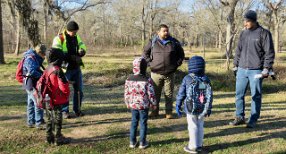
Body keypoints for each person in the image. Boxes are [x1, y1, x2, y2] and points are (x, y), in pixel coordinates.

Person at [230, 10, 275, 128]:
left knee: (256, 95)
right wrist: (235, 65)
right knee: (239, 94)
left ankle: (253, 119)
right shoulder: (243, 33)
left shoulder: (264, 33)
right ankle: (239, 117)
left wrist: (266, 68)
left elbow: (269, 52)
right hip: (241, 69)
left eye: (247, 21)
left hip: (256, 70)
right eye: (244, 21)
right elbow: (238, 50)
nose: (245, 23)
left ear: (254, 21)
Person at [142, 24, 185, 119]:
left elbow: (181, 55)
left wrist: (176, 64)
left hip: (170, 73)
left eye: (167, 31)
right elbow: (145, 53)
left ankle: (168, 112)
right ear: (158, 32)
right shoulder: (152, 42)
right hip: (155, 73)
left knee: (169, 94)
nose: (166, 32)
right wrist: (150, 63)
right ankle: (154, 111)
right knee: (155, 94)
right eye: (164, 31)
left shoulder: (174, 42)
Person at [176, 56, 213, 154]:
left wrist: (178, 104)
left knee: (192, 126)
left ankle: (193, 147)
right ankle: (199, 145)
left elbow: (181, 93)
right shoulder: (205, 79)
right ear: (203, 67)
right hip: (202, 107)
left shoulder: (187, 78)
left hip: (190, 107)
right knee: (200, 125)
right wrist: (208, 108)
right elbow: (209, 94)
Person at [52, 21, 87, 118]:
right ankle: (64, 111)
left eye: (76, 32)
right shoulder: (59, 38)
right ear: (68, 30)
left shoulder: (76, 36)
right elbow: (55, 53)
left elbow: (82, 45)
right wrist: (69, 57)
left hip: (76, 67)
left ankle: (77, 110)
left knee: (79, 90)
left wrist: (82, 51)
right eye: (74, 32)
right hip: (64, 68)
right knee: (64, 90)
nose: (75, 34)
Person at [124, 57, 157, 149]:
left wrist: (127, 102)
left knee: (134, 122)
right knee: (143, 123)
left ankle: (132, 142)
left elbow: (126, 92)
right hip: (143, 106)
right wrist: (153, 104)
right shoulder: (147, 79)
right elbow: (151, 94)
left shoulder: (129, 79)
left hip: (133, 105)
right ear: (144, 67)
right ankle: (142, 143)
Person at [44, 48, 71, 145]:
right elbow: (63, 87)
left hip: (47, 98)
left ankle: (49, 137)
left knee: (49, 118)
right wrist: (67, 92)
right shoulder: (58, 71)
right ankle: (58, 138)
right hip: (56, 98)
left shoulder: (47, 68)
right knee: (58, 117)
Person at [23, 44, 46, 129]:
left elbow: (36, 68)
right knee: (38, 101)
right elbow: (32, 71)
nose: (44, 56)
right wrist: (42, 76)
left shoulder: (35, 57)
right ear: (39, 52)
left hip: (31, 83)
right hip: (30, 83)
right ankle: (39, 122)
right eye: (43, 54)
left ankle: (30, 121)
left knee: (31, 103)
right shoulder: (30, 58)